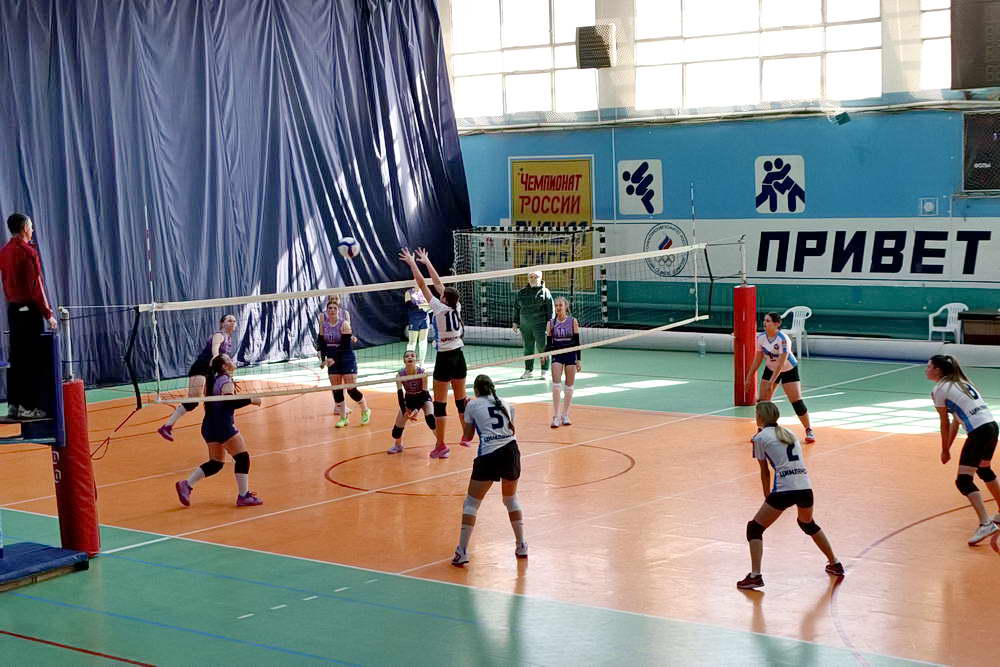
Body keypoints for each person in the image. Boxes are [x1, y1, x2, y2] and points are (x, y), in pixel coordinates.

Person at [737, 401, 843, 589]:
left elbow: (765, 472)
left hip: (785, 489)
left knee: (754, 528)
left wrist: (767, 496)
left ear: (760, 416)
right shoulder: (790, 434)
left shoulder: (760, 438)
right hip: (805, 487)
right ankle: (835, 563)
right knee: (807, 524)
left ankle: (755, 575)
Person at [399, 247, 471, 458]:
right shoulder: (456, 307)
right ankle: (466, 436)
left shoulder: (438, 308)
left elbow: (423, 284)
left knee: (440, 405)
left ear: (444, 298)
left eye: (443, 294)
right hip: (459, 356)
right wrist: (427, 261)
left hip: (445, 358)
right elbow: (439, 284)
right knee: (461, 401)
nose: (440, 292)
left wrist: (413, 263)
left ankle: (441, 445)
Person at [452, 374, 526, 566]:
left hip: (490, 455)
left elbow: (467, 437)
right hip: (511, 452)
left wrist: (465, 412)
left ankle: (462, 551)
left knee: (471, 503)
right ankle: (521, 545)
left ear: (476, 390)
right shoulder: (507, 404)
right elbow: (511, 430)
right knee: (511, 499)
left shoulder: (472, 405)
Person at [926, 354, 1000, 545]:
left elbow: (944, 423)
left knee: (964, 481)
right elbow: (956, 422)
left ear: (938, 370)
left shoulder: (939, 389)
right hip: (991, 427)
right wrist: (947, 448)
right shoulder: (961, 383)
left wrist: (944, 449)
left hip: (979, 432)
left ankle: (986, 524)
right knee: (984, 469)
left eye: (929, 367)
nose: (926, 370)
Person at [174, 354, 263, 507]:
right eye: (229, 359)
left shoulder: (212, 380)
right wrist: (251, 400)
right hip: (223, 425)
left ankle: (186, 484)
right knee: (242, 458)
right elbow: (229, 403)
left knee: (216, 463)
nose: (232, 361)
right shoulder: (225, 381)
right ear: (223, 366)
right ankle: (243, 496)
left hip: (209, 426)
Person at [0, 213, 58, 419]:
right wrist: (48, 314)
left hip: (13, 310)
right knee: (31, 359)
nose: (33, 230)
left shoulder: (4, 251)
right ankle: (28, 406)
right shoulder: (28, 252)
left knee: (16, 357)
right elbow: (36, 288)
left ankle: (14, 405)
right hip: (28, 311)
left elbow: (6, 282)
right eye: (31, 226)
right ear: (25, 228)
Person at [158, 314, 236, 441]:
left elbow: (223, 358)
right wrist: (222, 360)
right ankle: (167, 426)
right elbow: (215, 352)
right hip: (201, 368)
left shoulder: (229, 339)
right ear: (222, 323)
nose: (232, 323)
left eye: (234, 321)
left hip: (211, 371)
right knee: (193, 401)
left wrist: (228, 365)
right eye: (229, 320)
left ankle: (218, 425)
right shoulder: (219, 335)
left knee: (214, 399)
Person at [745, 311, 815, 444]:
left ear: (777, 324)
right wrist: (749, 377)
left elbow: (781, 363)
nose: (765, 323)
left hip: (788, 369)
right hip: (770, 368)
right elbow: (758, 359)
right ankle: (761, 431)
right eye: (764, 320)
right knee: (763, 402)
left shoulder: (783, 339)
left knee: (796, 401)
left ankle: (809, 430)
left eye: (768, 321)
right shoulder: (761, 338)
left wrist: (772, 381)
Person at [318, 295, 371, 428]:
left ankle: (365, 410)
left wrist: (332, 359)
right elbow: (322, 343)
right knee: (337, 390)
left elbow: (345, 346)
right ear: (326, 310)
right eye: (329, 308)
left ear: (338, 310)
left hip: (346, 358)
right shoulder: (324, 325)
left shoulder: (344, 324)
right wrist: (323, 359)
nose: (332, 310)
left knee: (351, 389)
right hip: (332, 359)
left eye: (334, 308)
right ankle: (343, 417)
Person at [387, 350, 436, 454]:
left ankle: (441, 444)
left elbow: (424, 393)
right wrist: (405, 410)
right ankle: (398, 445)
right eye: (407, 356)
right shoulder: (400, 375)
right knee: (396, 430)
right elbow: (400, 395)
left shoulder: (422, 373)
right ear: (404, 360)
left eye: (412, 356)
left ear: (416, 360)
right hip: (409, 398)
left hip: (423, 397)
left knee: (430, 419)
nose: (410, 357)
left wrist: (416, 410)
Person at [546, 296, 581, 428]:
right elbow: (549, 343)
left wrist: (578, 360)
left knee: (569, 386)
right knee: (556, 385)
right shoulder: (551, 323)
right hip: (557, 354)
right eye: (556, 306)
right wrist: (544, 354)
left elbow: (577, 343)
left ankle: (565, 414)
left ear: (566, 306)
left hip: (570, 354)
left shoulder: (573, 321)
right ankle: (555, 416)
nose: (558, 308)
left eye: (560, 305)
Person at [512, 271, 553, 380]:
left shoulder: (545, 292)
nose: (533, 279)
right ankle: (528, 370)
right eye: (531, 277)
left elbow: (550, 310)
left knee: (543, 348)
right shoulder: (522, 292)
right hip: (525, 327)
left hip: (541, 327)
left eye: (536, 277)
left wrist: (550, 324)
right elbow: (516, 308)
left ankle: (544, 371)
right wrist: (515, 322)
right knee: (528, 348)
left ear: (541, 278)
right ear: (528, 279)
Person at [404, 285, 431, 366]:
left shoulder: (425, 291)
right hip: (414, 319)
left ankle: (421, 364)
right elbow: (408, 305)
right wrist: (421, 305)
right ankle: (409, 364)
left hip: (424, 318)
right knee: (412, 342)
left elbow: (431, 304)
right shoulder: (409, 292)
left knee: (423, 341)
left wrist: (428, 307)